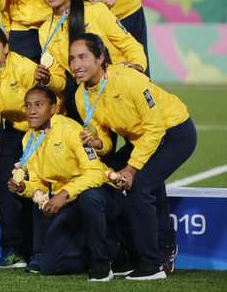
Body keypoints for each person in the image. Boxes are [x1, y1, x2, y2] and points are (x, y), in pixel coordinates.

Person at [70, 33, 197, 280]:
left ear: (100, 58)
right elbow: (107, 142)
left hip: (174, 132)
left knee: (141, 187)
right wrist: (98, 143)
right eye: (72, 59)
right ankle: (128, 257)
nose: (76, 65)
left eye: (83, 57)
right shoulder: (80, 96)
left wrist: (131, 168)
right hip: (141, 140)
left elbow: (155, 127)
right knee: (108, 181)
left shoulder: (129, 80)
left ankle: (152, 264)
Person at [8, 85, 121, 281]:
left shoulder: (71, 130)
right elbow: (40, 185)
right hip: (66, 200)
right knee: (49, 266)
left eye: (38, 105)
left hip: (97, 194)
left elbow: (95, 173)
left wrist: (64, 194)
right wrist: (24, 187)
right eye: (28, 106)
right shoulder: (29, 139)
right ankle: (96, 253)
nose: (32, 111)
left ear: (53, 108)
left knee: (89, 198)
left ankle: (102, 262)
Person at [0, 26, 53, 268]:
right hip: (12, 131)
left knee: (39, 185)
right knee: (8, 186)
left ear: (6, 48)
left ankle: (40, 251)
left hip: (41, 131)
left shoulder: (25, 68)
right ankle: (13, 249)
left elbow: (44, 104)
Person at [36, 0, 147, 118]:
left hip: (120, 88)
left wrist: (138, 66)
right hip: (90, 97)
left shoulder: (96, 11)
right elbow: (60, 78)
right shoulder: (44, 31)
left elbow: (129, 43)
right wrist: (49, 80)